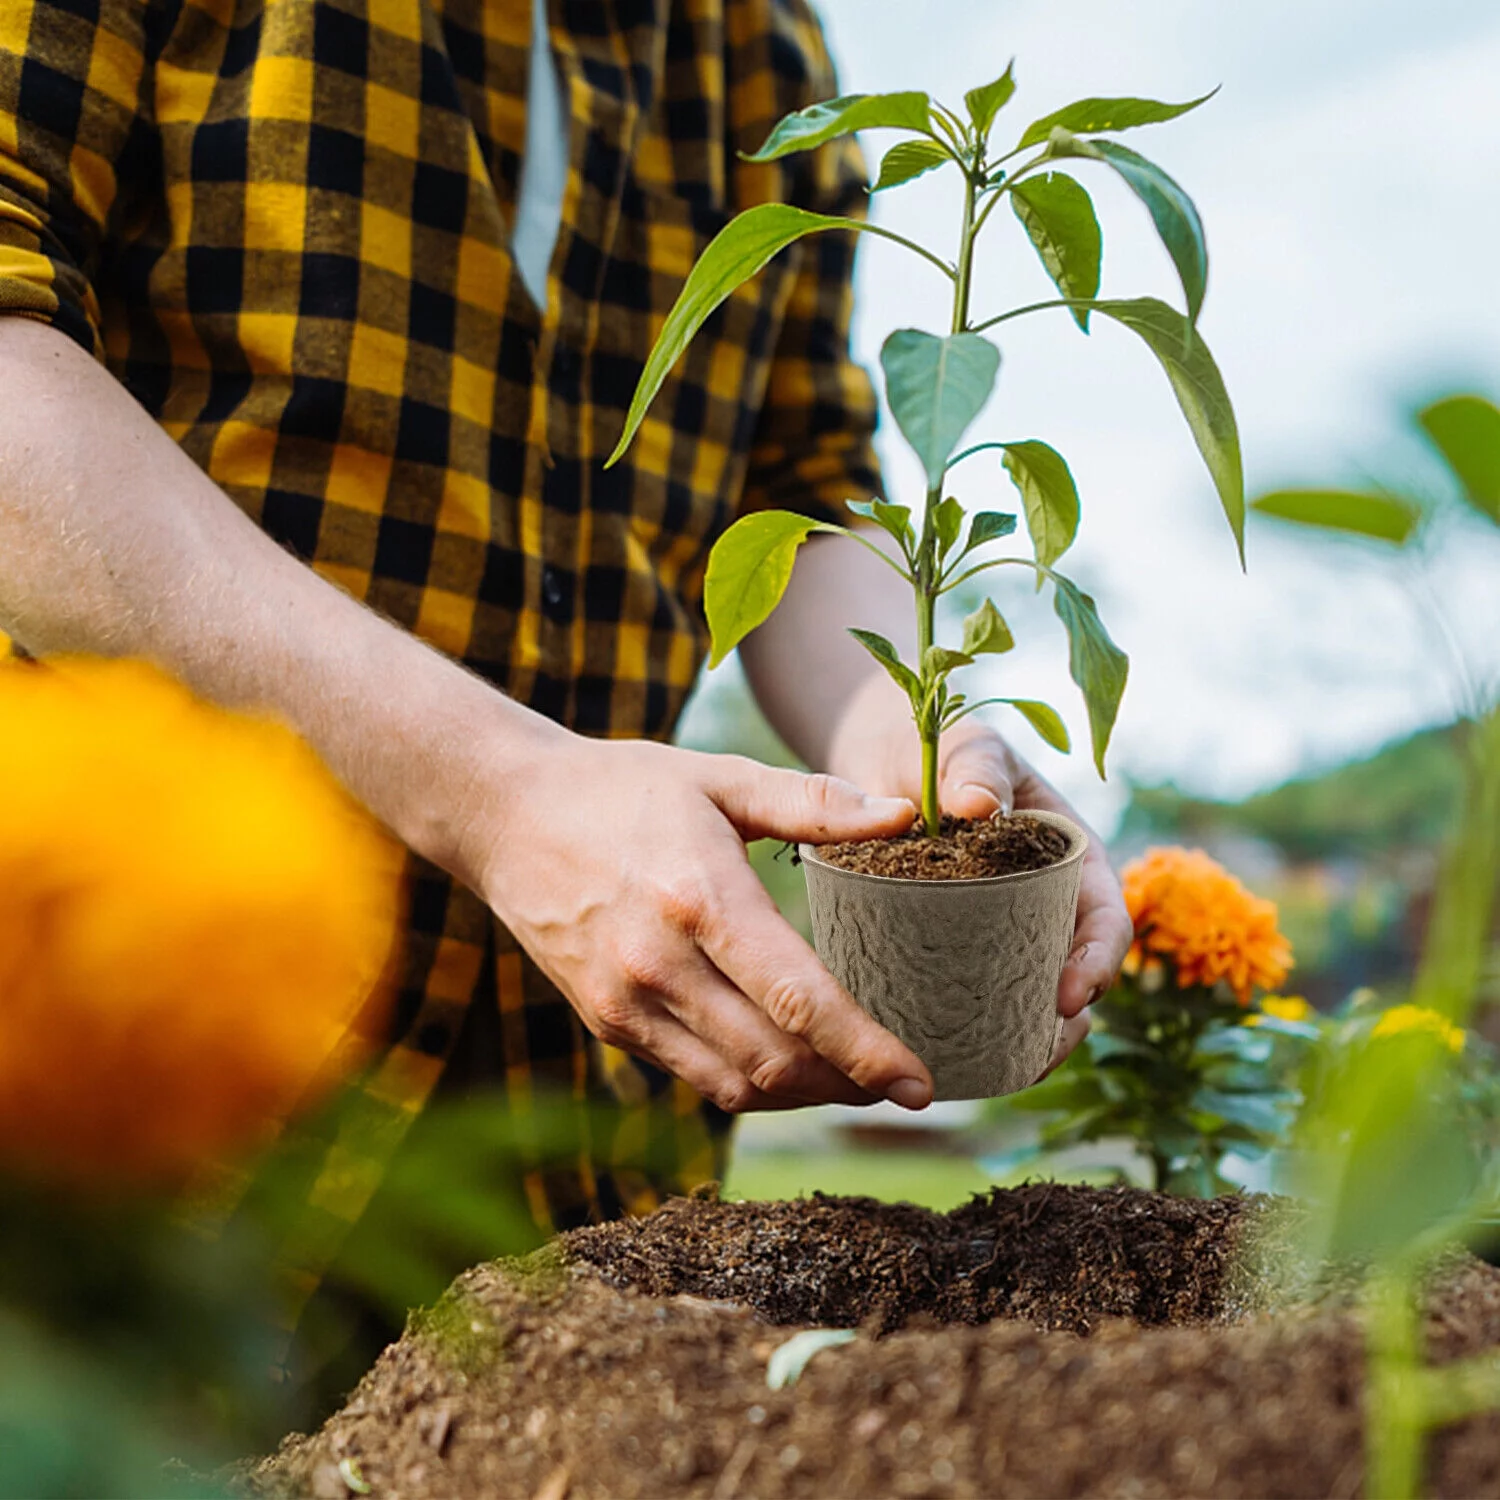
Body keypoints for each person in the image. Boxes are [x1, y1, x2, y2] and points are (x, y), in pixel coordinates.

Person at [0, 0, 1129, 1403]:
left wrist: (922, 746)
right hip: (131, 1067)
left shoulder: (759, 55)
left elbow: (801, 496)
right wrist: (496, 787)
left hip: (591, 1147)